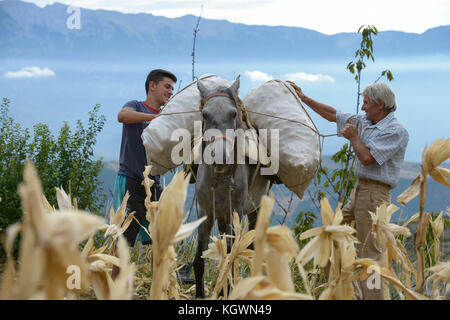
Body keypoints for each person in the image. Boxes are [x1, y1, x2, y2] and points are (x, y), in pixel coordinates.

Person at [288, 81, 409, 299]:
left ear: (380, 105)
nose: (362, 108)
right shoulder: (365, 122)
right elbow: (333, 114)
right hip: (359, 192)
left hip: (375, 196)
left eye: (366, 103)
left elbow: (367, 159)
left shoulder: (395, 130)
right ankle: (349, 295)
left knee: (370, 255)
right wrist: (304, 98)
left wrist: (353, 137)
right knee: (327, 238)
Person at [112, 69, 177, 279]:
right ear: (152, 85)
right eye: (167, 86)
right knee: (123, 239)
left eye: (172, 89)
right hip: (131, 179)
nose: (170, 92)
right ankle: (113, 288)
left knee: (160, 237)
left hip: (154, 183)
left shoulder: (167, 116)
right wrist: (156, 117)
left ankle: (160, 286)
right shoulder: (136, 106)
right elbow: (122, 116)